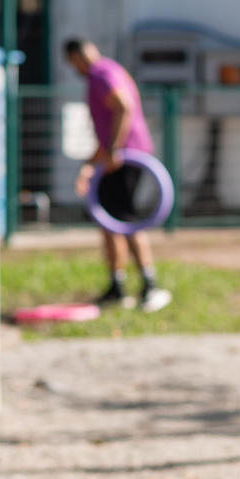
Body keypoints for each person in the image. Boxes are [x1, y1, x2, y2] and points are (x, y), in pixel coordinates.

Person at [64, 37, 171, 312]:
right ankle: (117, 286)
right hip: (120, 155)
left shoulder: (99, 74)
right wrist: (91, 165)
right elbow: (109, 127)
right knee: (111, 221)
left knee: (124, 219)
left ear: (75, 58)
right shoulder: (111, 69)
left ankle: (150, 285)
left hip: (125, 157)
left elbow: (124, 107)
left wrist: (113, 150)